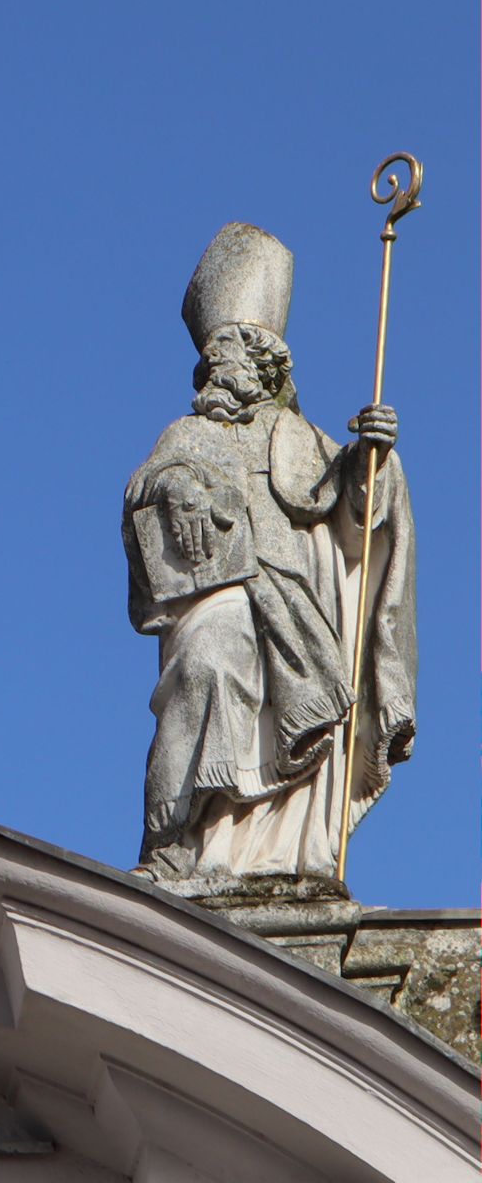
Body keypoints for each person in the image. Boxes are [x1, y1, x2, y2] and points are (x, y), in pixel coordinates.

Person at [124, 222, 416, 885]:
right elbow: (145, 488)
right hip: (222, 598)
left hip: (298, 605)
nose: (222, 367)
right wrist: (178, 486)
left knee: (314, 687)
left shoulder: (300, 436)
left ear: (266, 363)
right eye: (215, 354)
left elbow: (355, 516)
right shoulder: (188, 432)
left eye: (236, 350)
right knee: (205, 661)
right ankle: (176, 840)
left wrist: (373, 457)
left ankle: (278, 855)